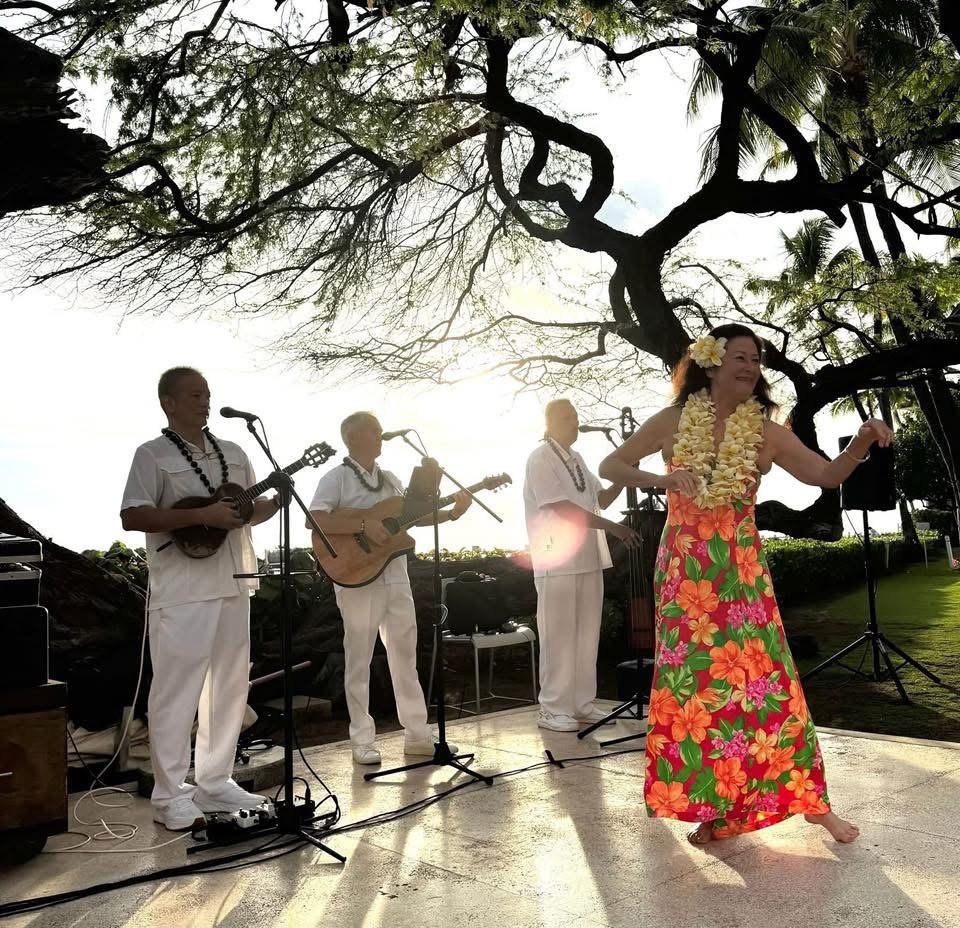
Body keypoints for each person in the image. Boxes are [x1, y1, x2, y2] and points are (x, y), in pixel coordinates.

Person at [600, 324, 893, 845]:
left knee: (766, 682)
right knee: (698, 690)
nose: (750, 367)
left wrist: (862, 442)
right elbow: (611, 464)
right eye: (739, 357)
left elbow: (824, 476)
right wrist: (661, 480)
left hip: (740, 571)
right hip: (685, 571)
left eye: (756, 360)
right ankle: (718, 807)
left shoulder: (765, 431)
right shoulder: (672, 420)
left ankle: (811, 801)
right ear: (711, 363)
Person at [120, 367, 280, 831]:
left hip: (233, 580)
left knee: (230, 686)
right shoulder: (151, 454)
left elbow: (249, 513)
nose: (205, 402)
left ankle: (215, 781)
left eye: (207, 394)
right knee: (177, 690)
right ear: (168, 402)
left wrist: (274, 503)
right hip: (183, 588)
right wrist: (202, 514)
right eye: (194, 395)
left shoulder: (235, 452)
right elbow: (133, 515)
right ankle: (170, 794)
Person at [308, 411, 472, 765]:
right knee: (359, 659)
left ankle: (418, 735)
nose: (380, 435)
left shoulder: (392, 479)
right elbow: (316, 519)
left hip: (395, 573)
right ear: (353, 437)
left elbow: (411, 518)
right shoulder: (335, 478)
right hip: (356, 575)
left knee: (405, 656)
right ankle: (361, 739)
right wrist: (363, 525)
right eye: (373, 431)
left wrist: (452, 513)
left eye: (380, 430)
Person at [523, 399, 639, 733]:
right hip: (556, 560)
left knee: (587, 635)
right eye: (566, 417)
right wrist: (614, 528)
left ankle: (581, 704)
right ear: (549, 422)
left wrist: (625, 475)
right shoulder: (540, 457)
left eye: (575, 416)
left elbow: (601, 500)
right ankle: (552, 708)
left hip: (588, 558)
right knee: (558, 637)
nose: (574, 422)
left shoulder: (577, 459)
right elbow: (561, 507)